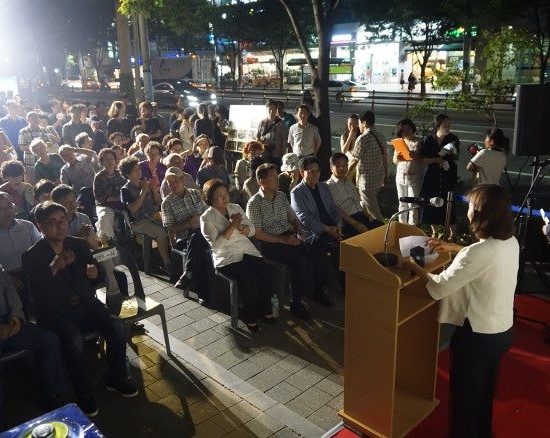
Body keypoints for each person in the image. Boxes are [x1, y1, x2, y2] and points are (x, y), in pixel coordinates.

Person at [402, 184, 518, 438]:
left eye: (470, 207)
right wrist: (452, 247)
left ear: (480, 214)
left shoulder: (478, 252)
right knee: (484, 395)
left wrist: (413, 264)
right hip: (501, 331)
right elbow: (482, 257)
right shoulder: (510, 241)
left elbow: (439, 289)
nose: (467, 212)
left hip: (477, 338)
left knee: (464, 402)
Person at [22, 201, 138, 417]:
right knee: (74, 340)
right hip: (57, 313)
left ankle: (117, 377)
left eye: (63, 220)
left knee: (116, 325)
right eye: (52, 222)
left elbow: (98, 276)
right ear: (40, 226)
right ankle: (83, 394)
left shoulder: (77, 244)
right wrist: (53, 270)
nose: (59, 226)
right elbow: (37, 299)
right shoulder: (32, 256)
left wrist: (96, 274)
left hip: (87, 306)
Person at [247, 163, 333, 314]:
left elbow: (293, 218)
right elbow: (257, 233)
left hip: (287, 236)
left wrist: (299, 230)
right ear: (261, 181)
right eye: (273, 177)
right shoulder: (255, 203)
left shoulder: (281, 196)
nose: (277, 179)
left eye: (276, 175)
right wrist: (283, 240)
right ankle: (296, 303)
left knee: (318, 255)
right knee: (300, 262)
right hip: (269, 243)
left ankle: (318, 292)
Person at [200, 179, 277, 331]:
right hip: (227, 257)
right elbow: (216, 245)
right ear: (210, 199)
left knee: (266, 271)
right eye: (219, 195)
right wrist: (231, 226)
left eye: (226, 194)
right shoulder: (206, 217)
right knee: (247, 278)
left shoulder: (235, 207)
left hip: (246, 251)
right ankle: (249, 315)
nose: (224, 198)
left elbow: (252, 231)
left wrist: (242, 227)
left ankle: (265, 308)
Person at [0, 267, 67, 415]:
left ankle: (51, 397)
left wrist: (16, 319)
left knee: (49, 340)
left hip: (8, 320)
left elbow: (11, 292)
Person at [161, 167, 212, 302]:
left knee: (197, 239)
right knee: (198, 246)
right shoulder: (167, 202)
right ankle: (202, 292)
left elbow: (208, 213)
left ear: (183, 180)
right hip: (183, 238)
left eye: (176, 180)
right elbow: (170, 228)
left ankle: (188, 274)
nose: (173, 184)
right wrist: (188, 224)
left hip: (202, 233)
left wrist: (199, 218)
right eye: (170, 182)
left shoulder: (195, 194)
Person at [291, 156, 342, 288]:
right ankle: (337, 286)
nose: (315, 174)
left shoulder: (324, 187)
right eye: (311, 171)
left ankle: (346, 280)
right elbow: (305, 219)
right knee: (338, 248)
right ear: (302, 172)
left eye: (317, 171)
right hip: (313, 233)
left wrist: (338, 226)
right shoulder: (297, 193)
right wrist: (327, 229)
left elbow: (333, 209)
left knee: (353, 243)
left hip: (332, 228)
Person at [119, 156, 172, 274]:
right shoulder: (125, 190)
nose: (139, 171)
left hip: (155, 215)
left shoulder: (145, 183)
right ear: (128, 174)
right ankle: (168, 264)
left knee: (173, 224)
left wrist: (153, 189)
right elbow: (133, 209)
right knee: (161, 232)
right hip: (139, 222)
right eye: (134, 170)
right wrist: (143, 191)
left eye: (138, 168)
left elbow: (158, 203)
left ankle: (175, 257)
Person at [419, 114, 461, 239]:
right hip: (432, 176)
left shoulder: (453, 138)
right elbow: (423, 160)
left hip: (447, 175)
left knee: (449, 203)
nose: (448, 127)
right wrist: (437, 159)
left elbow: (456, 156)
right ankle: (435, 232)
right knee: (432, 202)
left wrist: (450, 151)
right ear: (437, 126)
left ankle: (452, 234)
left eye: (449, 124)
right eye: (445, 125)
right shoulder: (429, 139)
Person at [326, 153, 381, 238]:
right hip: (346, 220)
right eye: (338, 166)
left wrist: (366, 214)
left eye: (344, 166)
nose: (342, 169)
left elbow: (356, 202)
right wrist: (356, 223)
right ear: (331, 168)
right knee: (368, 236)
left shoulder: (348, 181)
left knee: (382, 228)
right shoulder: (329, 186)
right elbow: (337, 209)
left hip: (360, 215)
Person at [347, 111, 388, 222]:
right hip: (378, 180)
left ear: (364, 123)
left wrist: (345, 175)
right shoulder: (381, 137)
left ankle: (383, 231)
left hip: (365, 183)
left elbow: (354, 160)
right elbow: (385, 158)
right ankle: (364, 227)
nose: (358, 126)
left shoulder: (362, 138)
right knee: (363, 207)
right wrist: (386, 175)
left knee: (375, 213)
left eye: (359, 123)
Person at [0, 191, 41, 286]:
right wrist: (8, 279)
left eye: (9, 206)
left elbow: (42, 248)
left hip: (35, 271)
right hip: (7, 278)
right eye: (0, 209)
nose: (7, 211)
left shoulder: (27, 226)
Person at [393, 118, 424, 225]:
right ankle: (401, 225)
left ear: (413, 129)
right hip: (400, 176)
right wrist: (397, 157)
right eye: (404, 130)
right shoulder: (399, 142)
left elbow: (422, 159)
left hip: (414, 177)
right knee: (402, 203)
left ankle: (412, 227)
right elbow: (394, 161)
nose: (407, 132)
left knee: (413, 204)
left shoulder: (419, 142)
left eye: (409, 129)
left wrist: (413, 155)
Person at [93, 149, 126, 245]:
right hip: (105, 205)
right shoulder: (99, 177)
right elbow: (98, 197)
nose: (110, 161)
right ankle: (106, 244)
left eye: (111, 158)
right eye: (106, 159)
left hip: (121, 203)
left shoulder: (121, 174)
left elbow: (127, 189)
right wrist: (113, 198)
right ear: (102, 162)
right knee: (104, 218)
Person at [51, 185, 99, 250]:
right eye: (67, 202)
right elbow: (58, 249)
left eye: (74, 201)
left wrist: (87, 237)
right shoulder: (54, 223)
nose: (73, 205)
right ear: (57, 204)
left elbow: (95, 246)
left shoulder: (83, 218)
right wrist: (80, 237)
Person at [256, 99, 288, 168]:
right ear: (266, 110)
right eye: (269, 109)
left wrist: (283, 156)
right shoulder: (262, 123)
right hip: (264, 155)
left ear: (276, 110)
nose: (271, 112)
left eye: (273, 109)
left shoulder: (281, 124)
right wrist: (262, 145)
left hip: (277, 156)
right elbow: (257, 137)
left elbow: (284, 141)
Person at [340, 113, 361, 182]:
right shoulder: (344, 136)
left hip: (358, 163)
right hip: (348, 162)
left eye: (355, 123)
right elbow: (343, 151)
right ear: (347, 124)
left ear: (358, 124)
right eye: (350, 123)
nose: (352, 126)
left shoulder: (361, 136)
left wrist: (354, 137)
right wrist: (350, 137)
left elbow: (356, 151)